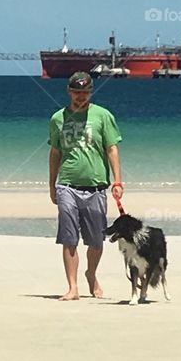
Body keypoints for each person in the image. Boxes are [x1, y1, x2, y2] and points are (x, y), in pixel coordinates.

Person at [48, 71, 123, 301]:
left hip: (96, 186)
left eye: (85, 93)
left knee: (96, 241)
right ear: (69, 91)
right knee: (69, 238)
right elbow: (55, 152)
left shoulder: (102, 116)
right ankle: (73, 287)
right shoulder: (58, 118)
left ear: (91, 92)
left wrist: (117, 180)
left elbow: (111, 148)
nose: (81, 97)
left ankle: (91, 274)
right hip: (67, 185)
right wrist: (52, 185)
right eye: (76, 92)